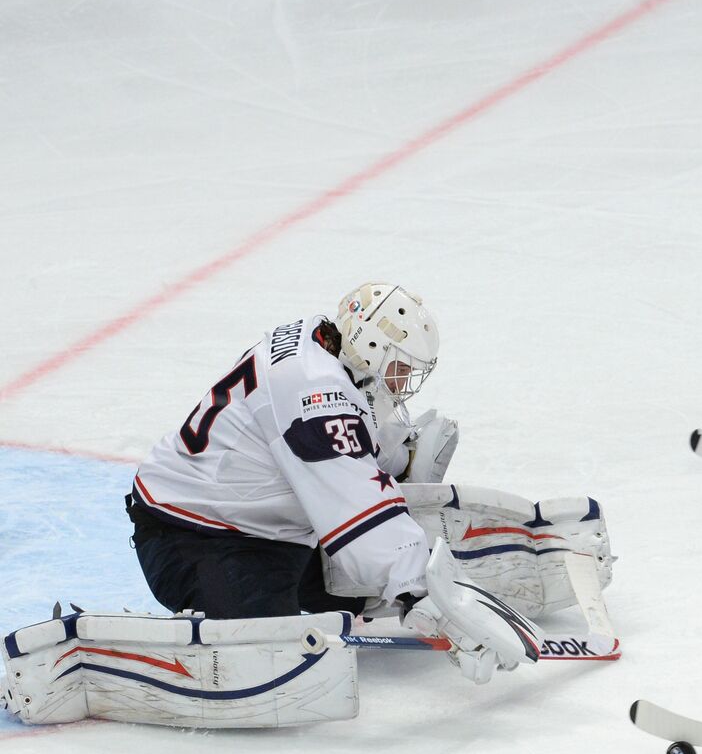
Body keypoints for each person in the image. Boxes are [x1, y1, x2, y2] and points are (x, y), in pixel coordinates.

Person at [125, 282, 539, 684]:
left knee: (364, 587)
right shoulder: (314, 394)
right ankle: (159, 645)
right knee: (273, 662)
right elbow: (354, 505)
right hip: (192, 532)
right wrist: (427, 597)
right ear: (373, 346)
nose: (401, 382)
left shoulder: (321, 341)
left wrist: (395, 463)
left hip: (261, 523)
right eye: (399, 368)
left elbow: (341, 443)